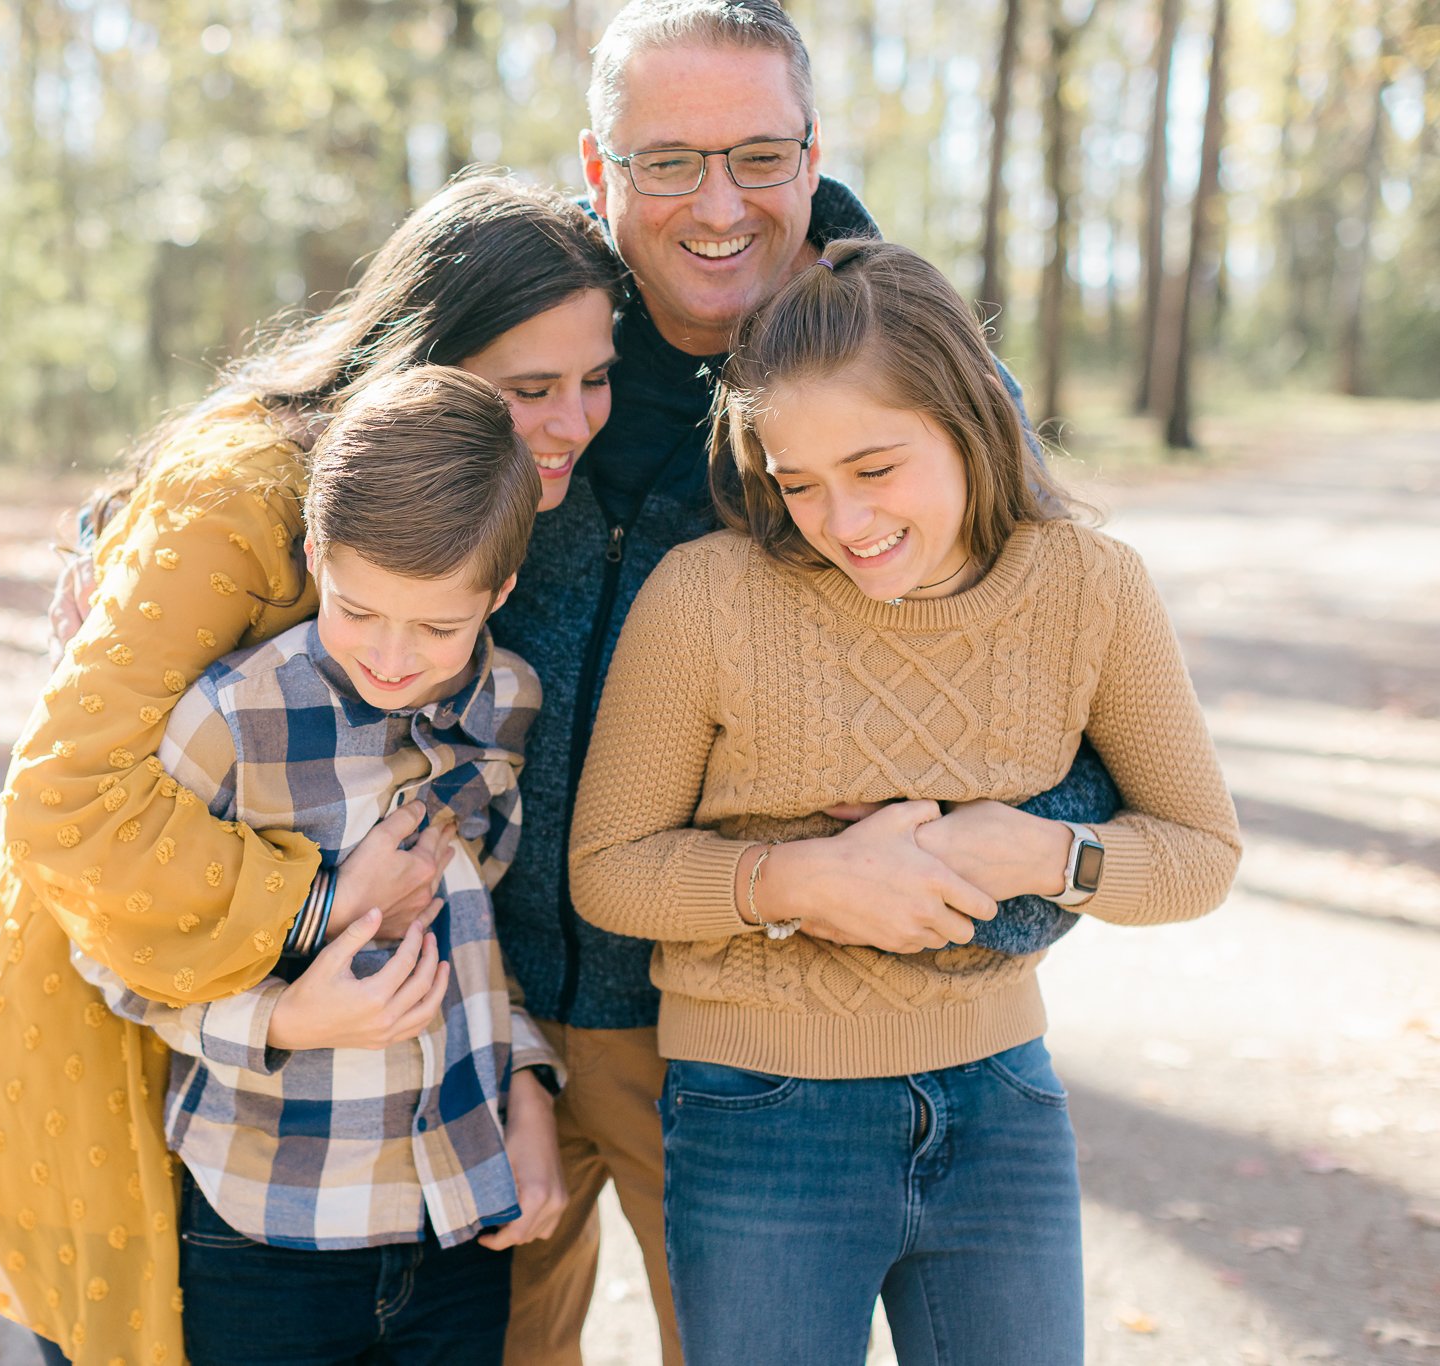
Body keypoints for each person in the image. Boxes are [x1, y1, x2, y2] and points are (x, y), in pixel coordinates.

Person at [0, 175, 622, 1365]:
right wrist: (326, 908)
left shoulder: (469, 577)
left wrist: (518, 1075)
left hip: (369, 1142)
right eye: (528, 387)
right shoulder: (250, 489)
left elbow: (459, 894)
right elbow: (64, 794)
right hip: (128, 983)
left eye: (592, 379)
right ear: (420, 369)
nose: (569, 420)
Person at [488, 5, 1116, 1360]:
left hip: (727, 1040)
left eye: (759, 156)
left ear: (813, 151)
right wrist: (114, 527)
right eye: (668, 162)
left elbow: (1073, 709)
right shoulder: (518, 315)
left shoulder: (912, 368)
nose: (719, 204)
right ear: (599, 173)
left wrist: (957, 906)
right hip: (484, 1005)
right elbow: (319, 438)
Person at [568, 238, 1243, 1364]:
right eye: (796, 482)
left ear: (970, 418)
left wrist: (1034, 852)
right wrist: (800, 883)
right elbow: (609, 865)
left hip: (1000, 1105)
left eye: (874, 468)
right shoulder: (705, 596)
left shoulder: (1090, 585)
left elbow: (1198, 853)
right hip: (756, 1115)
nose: (841, 519)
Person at [74, 366, 562, 1365]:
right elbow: (113, 956)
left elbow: (479, 932)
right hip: (264, 1233)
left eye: (437, 627)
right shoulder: (230, 721)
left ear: (499, 592)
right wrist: (283, 1018)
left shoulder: (508, 701)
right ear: (313, 556)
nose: (391, 656)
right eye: (357, 609)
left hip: (455, 1221)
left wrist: (531, 1090)